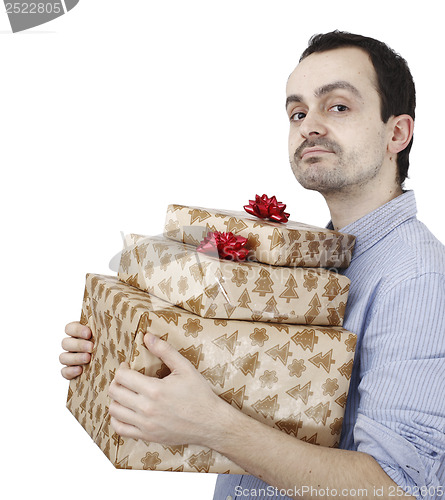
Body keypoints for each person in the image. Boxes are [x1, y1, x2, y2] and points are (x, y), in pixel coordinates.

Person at [60, 31, 445, 499]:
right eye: (298, 112)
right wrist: (122, 347)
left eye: (338, 106)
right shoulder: (309, 258)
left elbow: (401, 490)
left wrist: (215, 426)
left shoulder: (417, 279)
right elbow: (253, 373)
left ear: (397, 133)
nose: (309, 126)